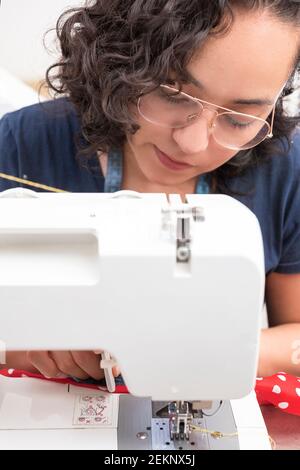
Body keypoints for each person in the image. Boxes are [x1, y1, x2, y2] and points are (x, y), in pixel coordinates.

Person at [0, 0, 299, 382]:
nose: (191, 143)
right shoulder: (20, 146)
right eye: (172, 94)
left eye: (239, 120)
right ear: (120, 59)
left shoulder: (285, 169)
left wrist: (218, 350)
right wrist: (25, 346)